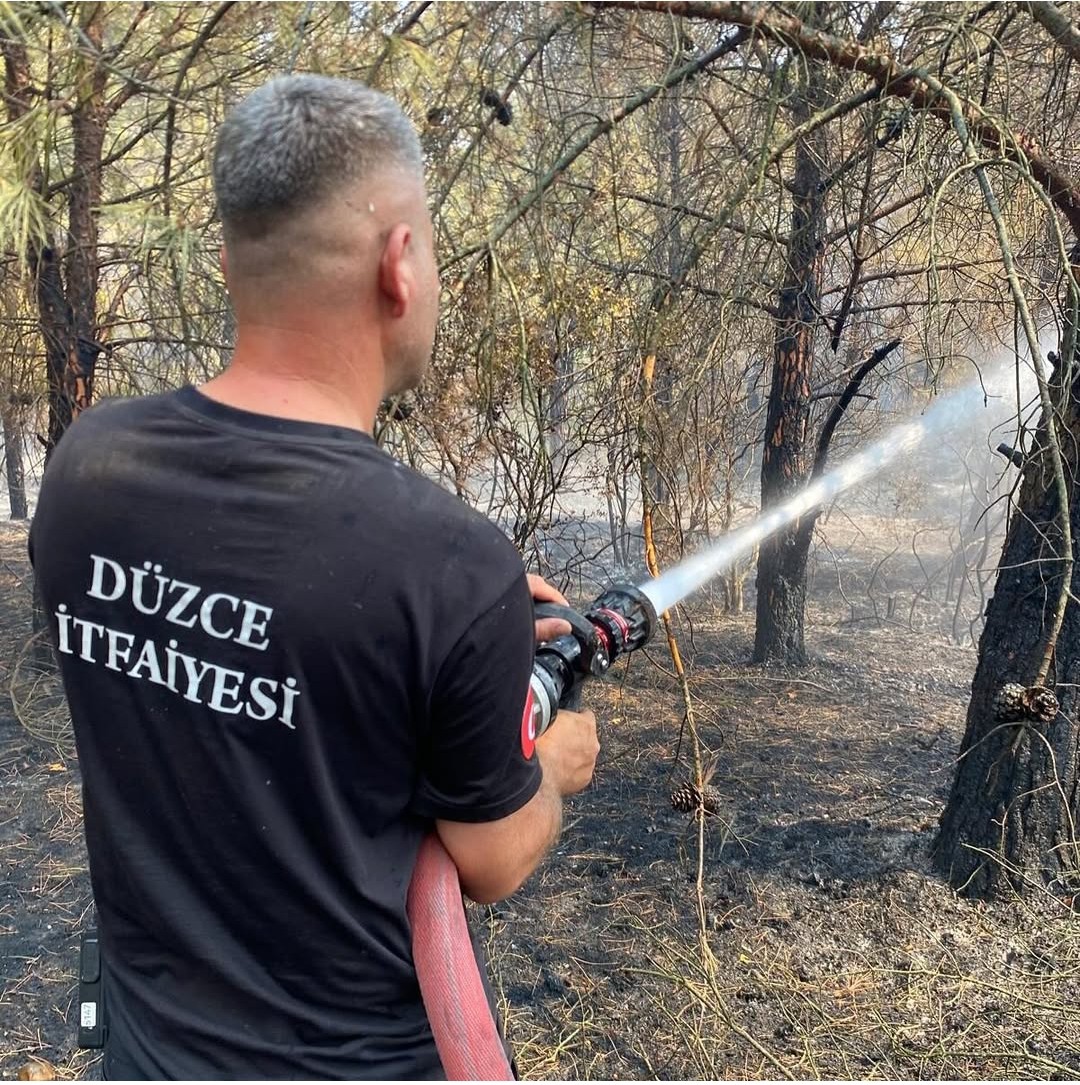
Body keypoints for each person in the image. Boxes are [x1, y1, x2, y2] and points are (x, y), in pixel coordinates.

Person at [29, 75, 599, 1080]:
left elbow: (240, 647)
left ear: (228, 263)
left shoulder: (88, 472)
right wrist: (550, 761)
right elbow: (492, 859)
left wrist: (461, 637)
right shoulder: (448, 563)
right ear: (400, 265)